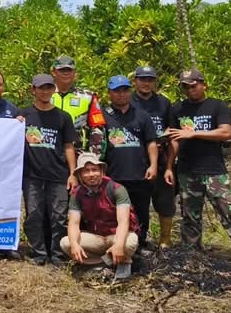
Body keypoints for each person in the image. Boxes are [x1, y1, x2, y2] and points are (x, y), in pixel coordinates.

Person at [164, 69, 231, 269]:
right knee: (189, 216)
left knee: (230, 212)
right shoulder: (177, 109)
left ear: (203, 85)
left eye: (193, 85)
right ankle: (191, 253)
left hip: (213, 171)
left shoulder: (217, 106)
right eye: (185, 87)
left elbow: (226, 133)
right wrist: (169, 167)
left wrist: (194, 134)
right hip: (187, 171)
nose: (190, 90)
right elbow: (174, 139)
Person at [19, 73, 78, 265]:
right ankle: (39, 253)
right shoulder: (23, 115)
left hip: (58, 174)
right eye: (41, 88)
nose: (45, 91)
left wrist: (73, 173)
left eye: (48, 87)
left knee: (59, 216)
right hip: (31, 175)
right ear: (33, 90)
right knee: (34, 215)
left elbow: (69, 146)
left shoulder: (63, 117)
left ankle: (58, 254)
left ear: (54, 89)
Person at [100, 75, 158, 255]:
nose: (121, 94)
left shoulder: (142, 115)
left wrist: (153, 165)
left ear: (130, 92)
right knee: (112, 213)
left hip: (139, 174)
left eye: (125, 90)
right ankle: (114, 245)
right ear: (109, 93)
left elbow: (151, 142)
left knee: (141, 211)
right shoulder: (102, 116)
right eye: (117, 91)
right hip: (113, 175)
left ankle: (139, 245)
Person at [60, 152, 139, 282]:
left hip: (115, 235)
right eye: (86, 171)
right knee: (66, 243)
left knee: (130, 241)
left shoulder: (117, 189)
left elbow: (123, 221)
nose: (91, 174)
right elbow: (73, 223)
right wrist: (74, 244)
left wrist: (119, 244)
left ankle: (120, 260)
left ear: (101, 171)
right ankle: (104, 263)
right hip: (96, 238)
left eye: (95, 170)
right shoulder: (77, 194)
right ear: (80, 175)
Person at [130, 66, 175, 246]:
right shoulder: (128, 100)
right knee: (138, 203)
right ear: (135, 81)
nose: (146, 83)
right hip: (136, 157)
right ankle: (138, 241)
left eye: (150, 80)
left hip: (161, 158)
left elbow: (172, 129)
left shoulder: (163, 103)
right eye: (142, 79)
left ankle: (165, 240)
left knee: (165, 200)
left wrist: (170, 164)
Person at [50, 56, 104, 153]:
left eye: (69, 70)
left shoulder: (88, 97)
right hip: (50, 152)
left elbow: (97, 128)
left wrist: (94, 155)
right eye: (62, 70)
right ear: (54, 72)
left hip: (79, 153)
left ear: (75, 73)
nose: (66, 73)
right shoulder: (45, 94)